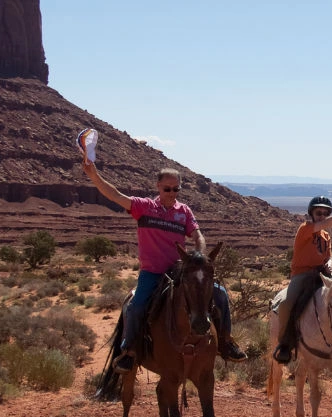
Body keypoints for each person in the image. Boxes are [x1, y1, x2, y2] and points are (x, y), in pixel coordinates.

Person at [82, 159, 247, 371]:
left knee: (221, 294)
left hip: (178, 270)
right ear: (158, 187)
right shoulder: (145, 207)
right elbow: (115, 195)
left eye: (176, 189)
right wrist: (94, 175)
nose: (172, 193)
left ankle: (226, 342)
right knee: (136, 306)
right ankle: (129, 351)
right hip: (152, 272)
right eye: (167, 188)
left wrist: (199, 254)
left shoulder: (184, 211)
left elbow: (198, 235)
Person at [272, 192, 332, 364]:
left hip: (323, 275)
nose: (322, 217)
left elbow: (329, 256)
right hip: (302, 275)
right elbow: (326, 224)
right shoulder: (305, 229)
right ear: (311, 214)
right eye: (319, 213)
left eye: (325, 214)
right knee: (286, 304)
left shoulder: (326, 236)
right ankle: (285, 344)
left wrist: (330, 264)